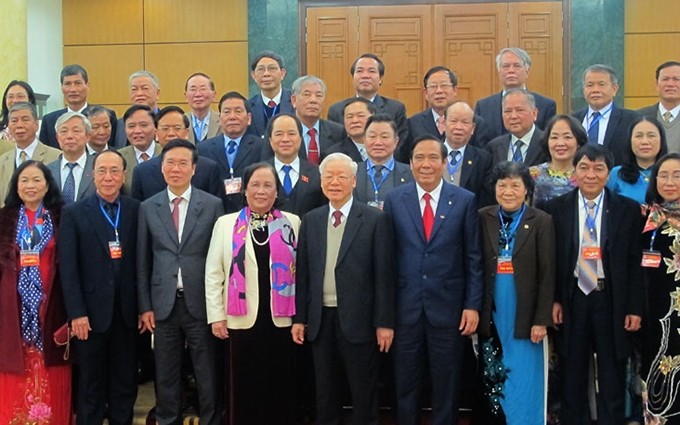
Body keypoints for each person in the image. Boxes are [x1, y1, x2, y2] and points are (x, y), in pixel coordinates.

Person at [384, 135, 483, 425]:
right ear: (411, 163)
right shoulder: (395, 199)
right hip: (406, 308)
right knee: (405, 383)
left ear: (444, 162)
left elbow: (473, 257)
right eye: (419, 158)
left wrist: (472, 305)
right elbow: (388, 258)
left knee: (447, 383)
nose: (425, 165)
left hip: (449, 309)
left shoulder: (464, 200)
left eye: (432, 158)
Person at [543, 144, 644, 425]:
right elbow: (549, 261)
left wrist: (634, 307)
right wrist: (553, 300)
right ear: (574, 172)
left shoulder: (627, 210)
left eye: (598, 168)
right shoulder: (554, 209)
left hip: (610, 299)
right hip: (572, 297)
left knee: (612, 372)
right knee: (572, 371)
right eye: (584, 167)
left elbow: (635, 263)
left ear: (608, 173)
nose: (591, 174)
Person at [292, 152, 395, 425]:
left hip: (359, 320)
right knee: (325, 393)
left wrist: (384, 323)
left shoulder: (374, 219)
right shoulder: (311, 220)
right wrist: (300, 318)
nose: (334, 182)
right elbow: (303, 274)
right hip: (319, 319)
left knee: (363, 391)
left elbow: (385, 276)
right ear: (321, 182)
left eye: (341, 176)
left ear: (353, 181)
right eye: (329, 176)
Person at [206, 162, 300, 425]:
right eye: (255, 185)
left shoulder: (293, 223)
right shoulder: (226, 224)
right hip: (240, 320)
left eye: (268, 185)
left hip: (281, 321)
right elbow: (214, 274)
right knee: (243, 387)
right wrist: (216, 316)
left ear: (277, 192)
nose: (261, 191)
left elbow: (302, 275)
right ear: (244, 190)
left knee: (280, 386)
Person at [137, 139, 223, 425]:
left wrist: (219, 304)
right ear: (162, 169)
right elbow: (143, 261)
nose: (176, 169)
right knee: (166, 372)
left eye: (183, 163)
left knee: (206, 371)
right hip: (163, 305)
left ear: (194, 168)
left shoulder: (212, 205)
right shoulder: (148, 207)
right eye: (170, 163)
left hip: (201, 302)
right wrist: (145, 306)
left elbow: (221, 257)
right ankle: (167, 420)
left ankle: (211, 419)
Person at [59, 150, 140, 425]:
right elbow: (67, 269)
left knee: (124, 382)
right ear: (93, 175)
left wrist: (143, 307)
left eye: (114, 171)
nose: (108, 177)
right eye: (102, 171)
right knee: (91, 385)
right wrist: (76, 313)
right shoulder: (73, 212)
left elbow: (141, 263)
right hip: (90, 316)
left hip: (127, 314)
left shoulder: (135, 209)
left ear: (123, 175)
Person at [476, 161, 555, 424]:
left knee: (525, 378)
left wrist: (542, 319)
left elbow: (547, 273)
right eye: (502, 185)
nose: (508, 191)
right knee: (493, 376)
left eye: (515, 185)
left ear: (527, 190)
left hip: (526, 315)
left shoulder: (541, 221)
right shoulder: (483, 216)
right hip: (493, 313)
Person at [0, 160, 70, 424]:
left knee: (51, 367)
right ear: (16, 186)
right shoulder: (5, 218)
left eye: (37, 180)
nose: (31, 186)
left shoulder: (61, 216)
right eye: (24, 180)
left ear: (48, 184)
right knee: (15, 368)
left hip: (52, 305)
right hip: (13, 308)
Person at [640, 153, 680, 423]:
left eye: (677, 175)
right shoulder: (646, 216)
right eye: (663, 175)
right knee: (656, 374)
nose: (669, 181)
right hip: (655, 314)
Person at [130, 105, 222, 201]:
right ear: (156, 134)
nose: (171, 134)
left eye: (177, 128)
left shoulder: (208, 168)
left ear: (187, 133)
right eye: (165, 129)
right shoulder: (142, 172)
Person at [198, 91, 263, 213]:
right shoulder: (203, 149)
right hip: (214, 214)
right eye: (227, 112)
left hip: (251, 212)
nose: (232, 117)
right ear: (219, 118)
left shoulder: (261, 146)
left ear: (249, 118)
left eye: (238, 111)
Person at [474, 47, 557, 141]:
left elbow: (549, 142)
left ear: (527, 71)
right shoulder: (483, 106)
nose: (511, 70)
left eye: (517, 66)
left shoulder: (546, 105)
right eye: (505, 66)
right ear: (499, 71)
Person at [405, 66, 489, 158]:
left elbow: (481, 160)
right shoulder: (413, 123)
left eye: (444, 86)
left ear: (455, 90)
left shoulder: (475, 122)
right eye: (433, 86)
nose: (439, 91)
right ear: (425, 94)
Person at [327, 53, 408, 146]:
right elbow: (335, 145)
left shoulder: (396, 109)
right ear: (353, 77)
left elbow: (401, 145)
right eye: (359, 71)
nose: (365, 76)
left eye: (372, 71)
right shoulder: (336, 110)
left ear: (381, 78)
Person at [261, 75, 344, 164]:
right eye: (307, 95)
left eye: (319, 95)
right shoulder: (278, 128)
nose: (313, 100)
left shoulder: (338, 132)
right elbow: (267, 164)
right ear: (294, 100)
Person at [572, 64, 641, 165]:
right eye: (590, 85)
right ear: (584, 90)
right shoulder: (573, 120)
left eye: (601, 84)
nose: (595, 90)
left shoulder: (632, 119)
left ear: (614, 89)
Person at [0, 103, 61, 206]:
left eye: (25, 120)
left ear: (36, 125)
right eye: (14, 121)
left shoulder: (56, 156)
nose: (19, 125)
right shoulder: (2, 160)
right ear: (9, 126)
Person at [265, 113, 325, 217]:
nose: (285, 139)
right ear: (270, 140)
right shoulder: (258, 173)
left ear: (301, 138)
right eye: (279, 134)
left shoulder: (317, 173)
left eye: (291, 134)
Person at [354, 113, 412, 207]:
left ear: (395, 141)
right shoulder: (352, 172)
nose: (378, 142)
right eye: (372, 136)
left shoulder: (411, 174)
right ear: (364, 140)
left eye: (384, 137)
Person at [442, 101, 493, 206]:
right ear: (444, 124)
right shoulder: (430, 154)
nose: (458, 127)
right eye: (453, 121)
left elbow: (485, 200)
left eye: (465, 122)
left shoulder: (483, 159)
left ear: (473, 128)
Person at [607, 117, 668, 204]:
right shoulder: (616, 174)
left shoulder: (673, 173)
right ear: (630, 140)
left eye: (651, 135)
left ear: (661, 140)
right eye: (638, 136)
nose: (645, 142)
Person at [530, 115, 588, 207]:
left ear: (579, 142)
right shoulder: (533, 174)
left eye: (567, 137)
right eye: (554, 137)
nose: (560, 143)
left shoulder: (587, 175)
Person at [487, 89, 549, 168]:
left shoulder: (547, 143)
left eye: (519, 110)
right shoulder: (494, 147)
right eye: (508, 111)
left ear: (534, 114)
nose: (513, 116)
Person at [46, 112, 96, 204]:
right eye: (64, 131)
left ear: (88, 136)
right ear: (57, 138)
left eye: (76, 131)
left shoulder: (97, 167)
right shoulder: (47, 170)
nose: (69, 136)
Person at [247, 51, 294, 138]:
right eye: (261, 69)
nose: (266, 74)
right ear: (253, 75)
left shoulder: (295, 101)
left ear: (282, 73)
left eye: (272, 68)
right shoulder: (248, 106)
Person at [118, 105, 161, 195]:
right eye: (131, 126)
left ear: (155, 128)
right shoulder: (118, 157)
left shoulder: (166, 153)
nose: (137, 131)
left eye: (143, 125)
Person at [637, 61, 680, 152]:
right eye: (665, 79)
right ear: (657, 84)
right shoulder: (638, 116)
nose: (670, 84)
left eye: (676, 79)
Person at [113, 70, 161, 148]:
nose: (139, 94)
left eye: (145, 88)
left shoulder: (165, 121)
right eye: (134, 89)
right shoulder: (120, 124)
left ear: (157, 93)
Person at [326, 97, 376, 162]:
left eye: (360, 115)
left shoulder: (388, 148)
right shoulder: (334, 154)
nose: (355, 121)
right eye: (349, 117)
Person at [184, 72, 221, 143]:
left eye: (203, 89)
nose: (198, 94)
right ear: (186, 96)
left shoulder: (222, 121)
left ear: (214, 95)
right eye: (193, 89)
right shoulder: (180, 123)